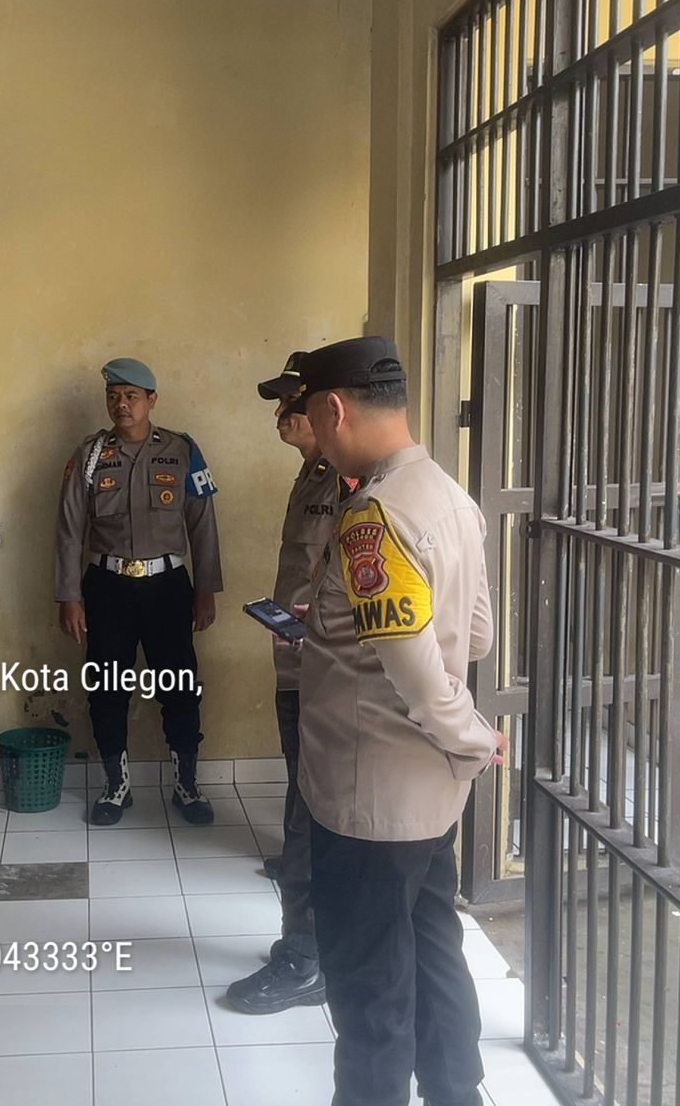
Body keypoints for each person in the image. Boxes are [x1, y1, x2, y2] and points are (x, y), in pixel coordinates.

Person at [293, 336, 504, 1106]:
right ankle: (457, 1095)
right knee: (434, 952)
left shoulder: (373, 515)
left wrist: (476, 741)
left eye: (311, 416)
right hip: (429, 800)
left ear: (334, 408)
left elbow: (421, 684)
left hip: (369, 802)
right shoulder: (450, 495)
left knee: (370, 995)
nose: (313, 435)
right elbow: (474, 636)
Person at [226, 352, 349, 1014]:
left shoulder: (352, 482)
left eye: (290, 405)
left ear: (326, 408)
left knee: (309, 814)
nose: (280, 415)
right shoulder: (313, 472)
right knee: (299, 796)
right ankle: (308, 933)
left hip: (320, 668)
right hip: (296, 660)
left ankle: (305, 957)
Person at [54, 358, 224, 826]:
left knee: (180, 685)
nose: (121, 404)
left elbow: (203, 525)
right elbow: (69, 530)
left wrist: (206, 589)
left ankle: (187, 785)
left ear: (152, 400)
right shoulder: (90, 454)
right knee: (107, 687)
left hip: (168, 587)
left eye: (131, 396)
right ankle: (116, 786)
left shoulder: (182, 450)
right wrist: (69, 596)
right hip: (107, 587)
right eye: (113, 396)